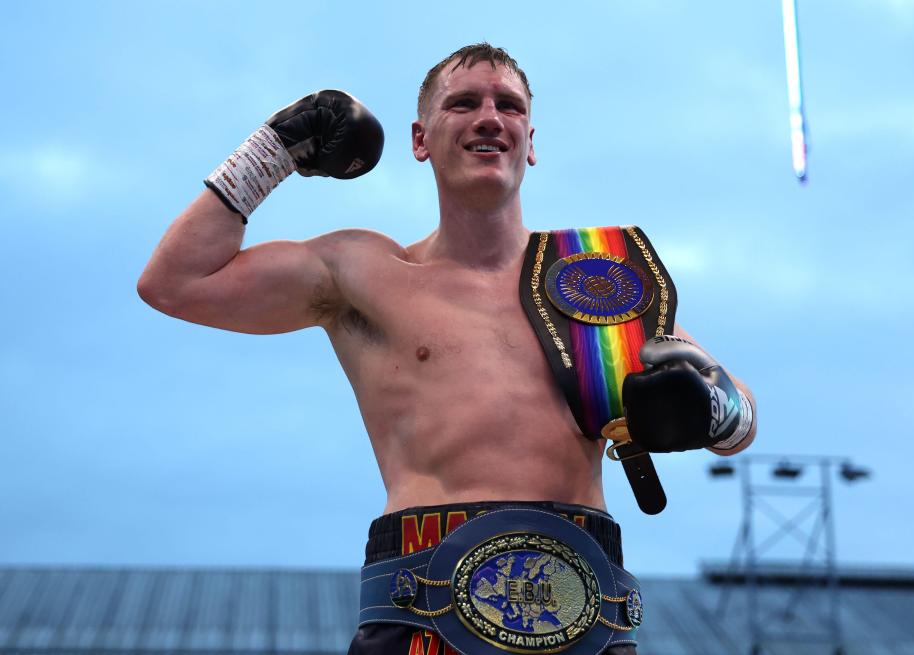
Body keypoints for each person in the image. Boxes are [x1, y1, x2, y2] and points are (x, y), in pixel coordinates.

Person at [138, 43, 756, 655]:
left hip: (588, 619)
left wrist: (712, 406)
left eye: (508, 106)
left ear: (531, 141)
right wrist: (271, 152)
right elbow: (176, 283)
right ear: (420, 139)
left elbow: (739, 420)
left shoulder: (598, 282)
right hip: (421, 617)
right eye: (463, 103)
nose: (490, 117)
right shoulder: (363, 273)